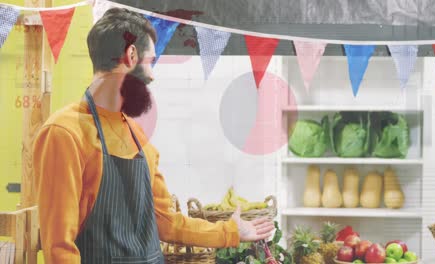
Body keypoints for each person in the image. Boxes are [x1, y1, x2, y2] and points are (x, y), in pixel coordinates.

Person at [32, 7, 274, 264]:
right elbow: (59, 248)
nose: (152, 75)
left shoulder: (137, 136)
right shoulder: (63, 133)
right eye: (149, 62)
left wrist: (230, 232)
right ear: (131, 55)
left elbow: (166, 223)